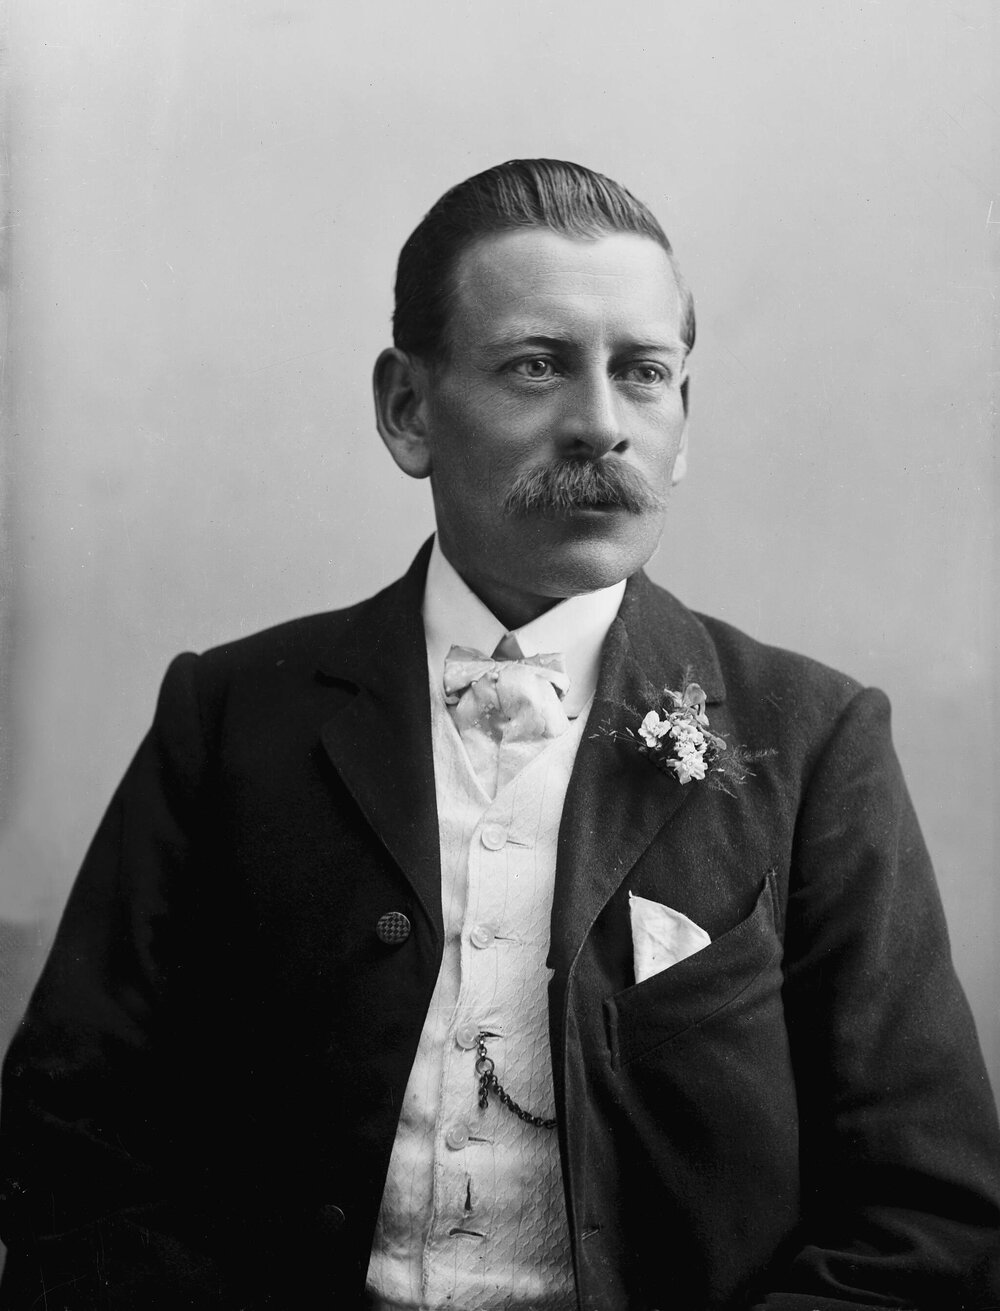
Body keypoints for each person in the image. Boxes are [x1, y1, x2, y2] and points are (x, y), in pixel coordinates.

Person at [0, 158, 998, 1311]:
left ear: (682, 423)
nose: (599, 426)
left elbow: (928, 1210)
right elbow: (68, 1145)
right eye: (535, 366)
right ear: (408, 410)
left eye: (643, 374)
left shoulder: (812, 739)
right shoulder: (232, 719)